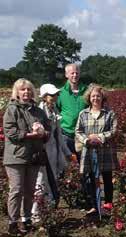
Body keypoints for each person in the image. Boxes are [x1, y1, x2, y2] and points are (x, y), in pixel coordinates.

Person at [3, 78, 50, 236]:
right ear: (17, 92)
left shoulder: (39, 111)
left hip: (34, 156)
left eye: (29, 90)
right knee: (16, 189)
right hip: (16, 156)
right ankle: (12, 222)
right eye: (22, 90)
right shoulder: (12, 109)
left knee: (30, 190)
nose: (26, 92)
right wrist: (32, 134)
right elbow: (11, 133)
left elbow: (48, 132)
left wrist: (44, 133)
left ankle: (26, 219)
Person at [30, 84, 72, 222]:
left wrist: (66, 152)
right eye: (51, 95)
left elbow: (58, 134)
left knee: (52, 180)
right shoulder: (40, 112)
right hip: (43, 152)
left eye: (55, 95)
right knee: (40, 182)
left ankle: (48, 212)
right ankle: (35, 214)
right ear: (44, 97)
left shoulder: (54, 110)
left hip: (53, 151)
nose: (54, 97)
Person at [75, 84, 119, 215]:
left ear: (102, 97)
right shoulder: (83, 114)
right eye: (93, 96)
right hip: (89, 151)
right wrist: (87, 140)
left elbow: (114, 130)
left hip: (105, 151)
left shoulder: (110, 113)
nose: (96, 98)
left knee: (107, 178)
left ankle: (108, 204)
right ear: (89, 98)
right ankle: (95, 205)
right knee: (91, 178)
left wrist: (99, 137)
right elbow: (78, 131)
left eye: (98, 96)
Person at [56, 63, 88, 156]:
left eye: (77, 73)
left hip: (83, 135)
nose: (75, 75)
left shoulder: (87, 91)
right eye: (72, 73)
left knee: (84, 164)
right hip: (65, 134)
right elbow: (56, 110)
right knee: (66, 166)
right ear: (66, 75)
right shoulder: (60, 93)